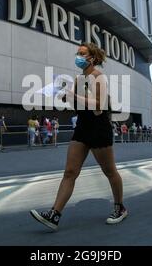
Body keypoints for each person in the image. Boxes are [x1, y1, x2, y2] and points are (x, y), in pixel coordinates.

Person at [30, 42, 127, 231]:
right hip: (82, 128)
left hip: (99, 128)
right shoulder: (78, 78)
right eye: (78, 53)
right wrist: (65, 97)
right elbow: (79, 104)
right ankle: (54, 215)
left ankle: (119, 207)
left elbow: (99, 105)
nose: (79, 56)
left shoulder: (99, 77)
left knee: (110, 171)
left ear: (92, 58)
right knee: (70, 172)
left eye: (83, 53)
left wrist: (73, 96)